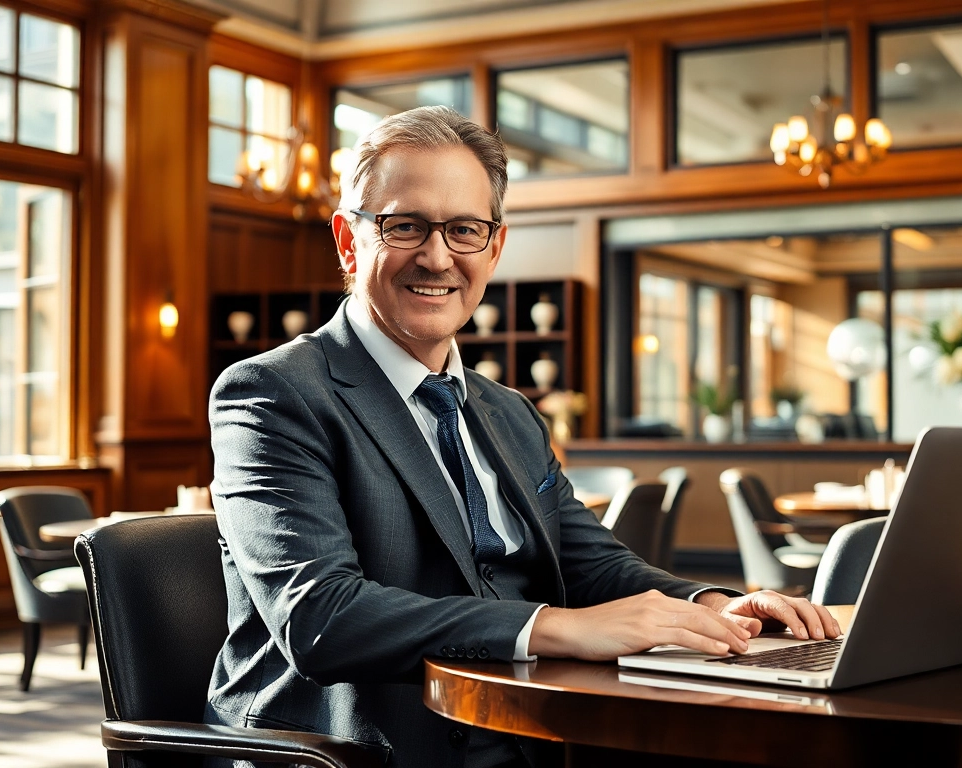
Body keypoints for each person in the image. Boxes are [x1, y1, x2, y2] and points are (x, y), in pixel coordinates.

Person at [205, 105, 841, 768]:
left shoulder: (508, 411)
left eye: (464, 230)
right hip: (357, 747)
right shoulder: (272, 393)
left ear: (494, 247)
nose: (436, 255)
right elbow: (323, 618)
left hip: (534, 730)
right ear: (347, 240)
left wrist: (712, 603)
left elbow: (589, 562)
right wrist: (557, 628)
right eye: (405, 226)